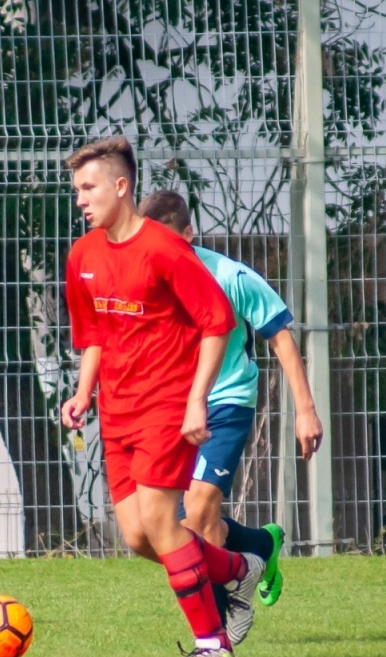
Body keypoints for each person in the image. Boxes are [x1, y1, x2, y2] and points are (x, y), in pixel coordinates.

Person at [60, 137, 264, 657]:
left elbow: (217, 323)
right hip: (117, 412)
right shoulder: (82, 256)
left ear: (121, 186)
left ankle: (212, 643)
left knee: (162, 520)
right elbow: (95, 334)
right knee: (137, 537)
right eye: (76, 189)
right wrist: (84, 393)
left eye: (89, 187)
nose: (80, 199)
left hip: (165, 408)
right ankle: (241, 570)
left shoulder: (164, 248)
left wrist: (197, 400)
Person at [136, 189, 323, 614]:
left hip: (226, 403)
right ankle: (260, 544)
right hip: (169, 410)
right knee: (170, 526)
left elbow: (279, 336)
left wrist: (306, 411)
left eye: (169, 242)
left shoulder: (229, 277)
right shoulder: (144, 283)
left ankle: (222, 624)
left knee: (198, 512)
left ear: (189, 234)